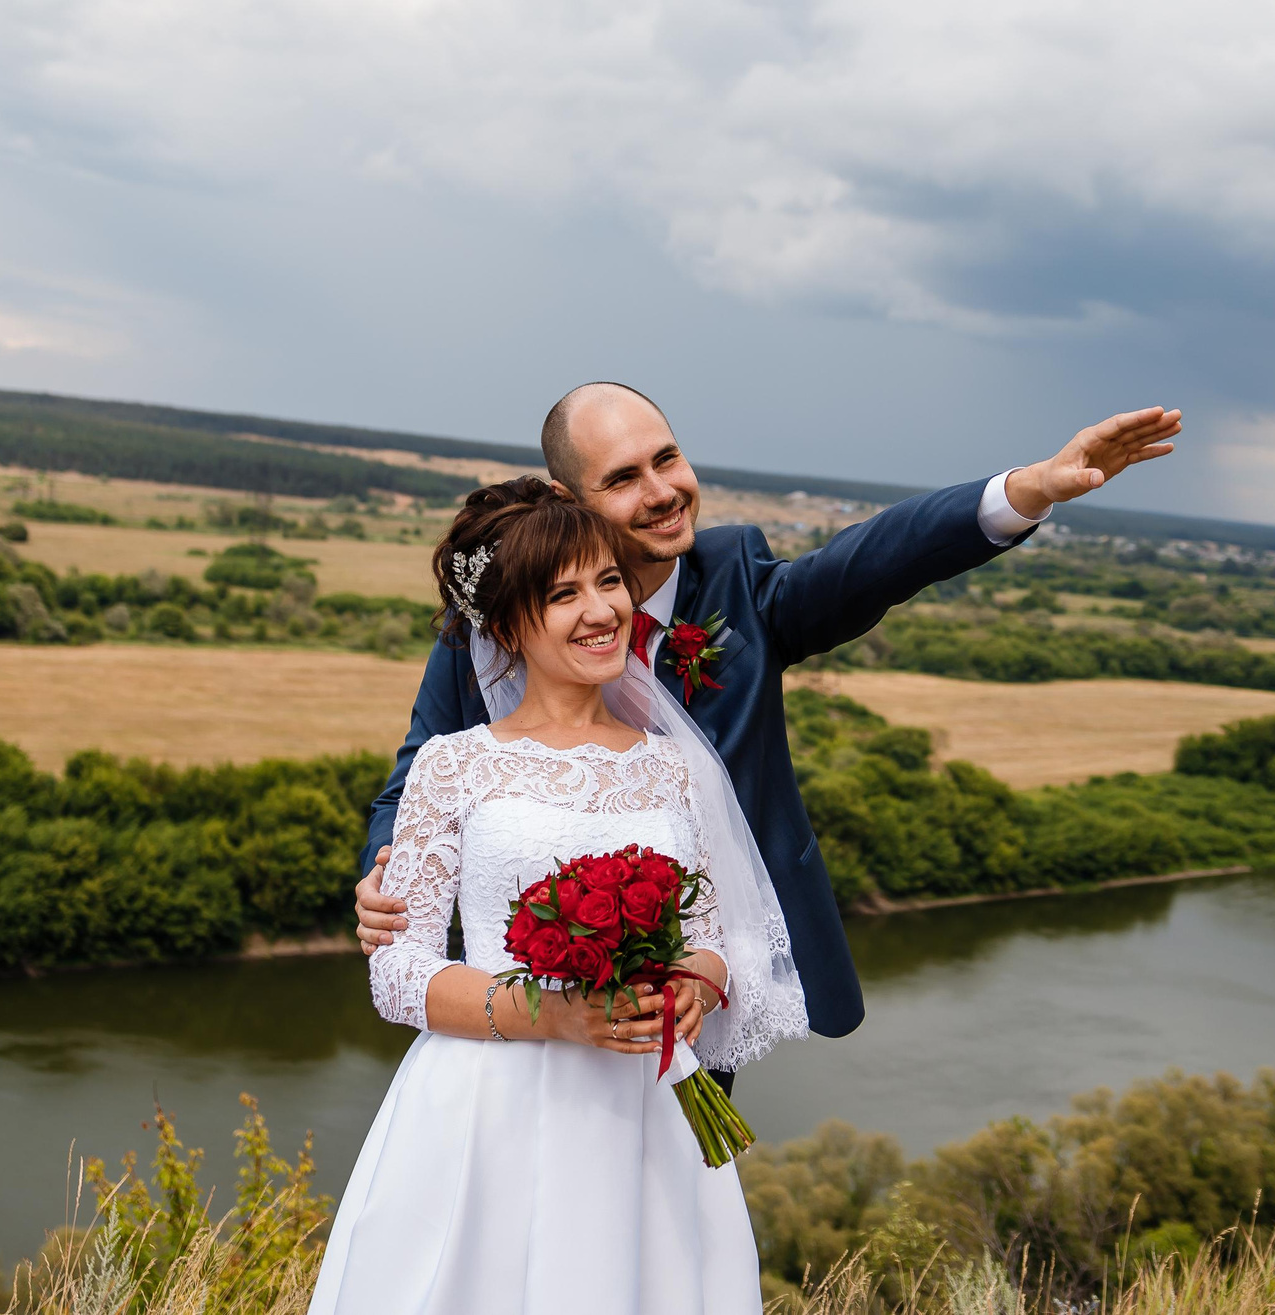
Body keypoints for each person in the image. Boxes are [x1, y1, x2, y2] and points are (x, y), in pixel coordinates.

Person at [357, 385, 1183, 1042]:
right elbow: (422, 770)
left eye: (668, 459)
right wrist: (385, 879)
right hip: (525, 999)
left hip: (696, 991)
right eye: (623, 478)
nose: (663, 492)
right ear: (569, 501)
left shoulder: (737, 578)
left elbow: (876, 559)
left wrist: (1027, 490)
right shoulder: (493, 626)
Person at [308, 484, 802, 1315]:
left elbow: (716, 934)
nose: (600, 609)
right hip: (485, 1112)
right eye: (562, 594)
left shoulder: (675, 765)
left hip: (644, 1109)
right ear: (504, 626)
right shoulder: (453, 766)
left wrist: (695, 980)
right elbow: (397, 976)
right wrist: (559, 1015)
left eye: (608, 581)